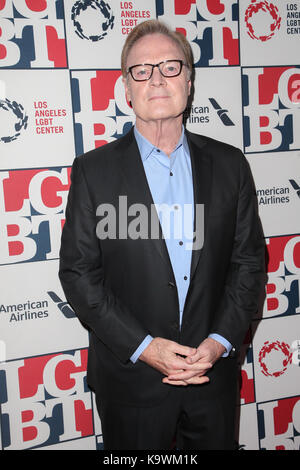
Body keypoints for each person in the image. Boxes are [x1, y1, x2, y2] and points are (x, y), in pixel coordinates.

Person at [59, 19, 265, 450]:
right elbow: (79, 274)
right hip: (132, 386)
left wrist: (219, 342)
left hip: (212, 381)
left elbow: (248, 264)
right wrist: (145, 347)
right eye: (141, 70)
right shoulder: (93, 172)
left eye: (171, 67)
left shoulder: (231, 166)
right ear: (126, 89)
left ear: (189, 82)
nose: (156, 78)